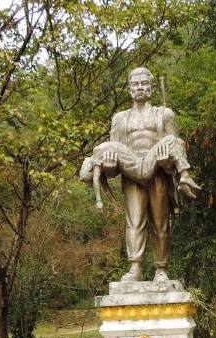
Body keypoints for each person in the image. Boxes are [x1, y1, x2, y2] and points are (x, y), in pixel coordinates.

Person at [79, 67, 201, 283]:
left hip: (157, 172)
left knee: (160, 222)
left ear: (152, 88)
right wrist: (107, 167)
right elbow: (114, 160)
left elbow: (175, 147)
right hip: (132, 171)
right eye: (135, 84)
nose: (140, 88)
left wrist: (168, 164)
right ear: (129, 90)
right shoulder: (120, 119)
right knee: (134, 221)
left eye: (144, 83)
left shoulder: (164, 114)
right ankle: (135, 267)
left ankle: (161, 269)